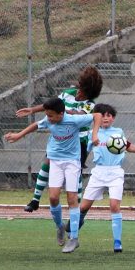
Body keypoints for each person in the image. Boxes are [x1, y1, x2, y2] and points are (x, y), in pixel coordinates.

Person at [4, 98, 101, 253]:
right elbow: (36, 125)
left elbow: (97, 116)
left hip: (72, 162)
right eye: (47, 115)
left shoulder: (74, 120)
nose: (48, 119)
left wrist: (95, 134)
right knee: (53, 197)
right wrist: (18, 135)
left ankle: (74, 238)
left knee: (72, 198)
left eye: (51, 116)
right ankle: (60, 226)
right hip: (55, 161)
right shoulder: (49, 120)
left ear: (61, 114)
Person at [17, 66, 102, 213]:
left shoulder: (90, 104)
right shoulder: (68, 93)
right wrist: (32, 110)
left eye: (85, 93)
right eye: (81, 88)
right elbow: (51, 105)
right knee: (47, 162)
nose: (80, 93)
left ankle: (78, 207)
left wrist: (61, 112)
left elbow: (76, 115)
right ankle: (35, 199)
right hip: (59, 138)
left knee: (77, 173)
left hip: (78, 141)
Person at [78, 104, 135, 252]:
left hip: (115, 172)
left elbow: (128, 146)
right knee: (83, 207)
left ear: (113, 118)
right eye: (102, 115)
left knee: (114, 206)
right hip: (98, 172)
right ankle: (79, 220)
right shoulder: (92, 133)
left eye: (109, 115)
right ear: (96, 117)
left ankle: (117, 242)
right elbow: (83, 150)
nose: (105, 118)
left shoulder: (118, 132)